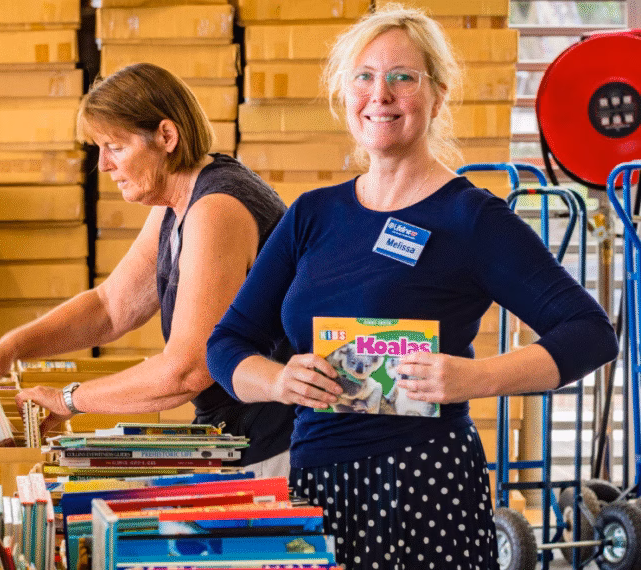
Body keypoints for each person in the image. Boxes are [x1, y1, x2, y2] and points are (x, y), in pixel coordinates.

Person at [205, 5, 617, 568]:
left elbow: (590, 334)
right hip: (315, 484)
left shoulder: (471, 218)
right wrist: (278, 380)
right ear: (345, 94)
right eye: (365, 76)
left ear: (437, 95)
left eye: (403, 77)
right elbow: (226, 344)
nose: (382, 93)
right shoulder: (311, 216)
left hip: (427, 485)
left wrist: (476, 376)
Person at [0, 63, 297, 474]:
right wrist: (11, 349)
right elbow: (110, 307)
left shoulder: (216, 209)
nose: (103, 165)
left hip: (274, 441)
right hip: (237, 432)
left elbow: (187, 371)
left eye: (115, 147)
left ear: (166, 136)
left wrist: (70, 400)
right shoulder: (178, 202)